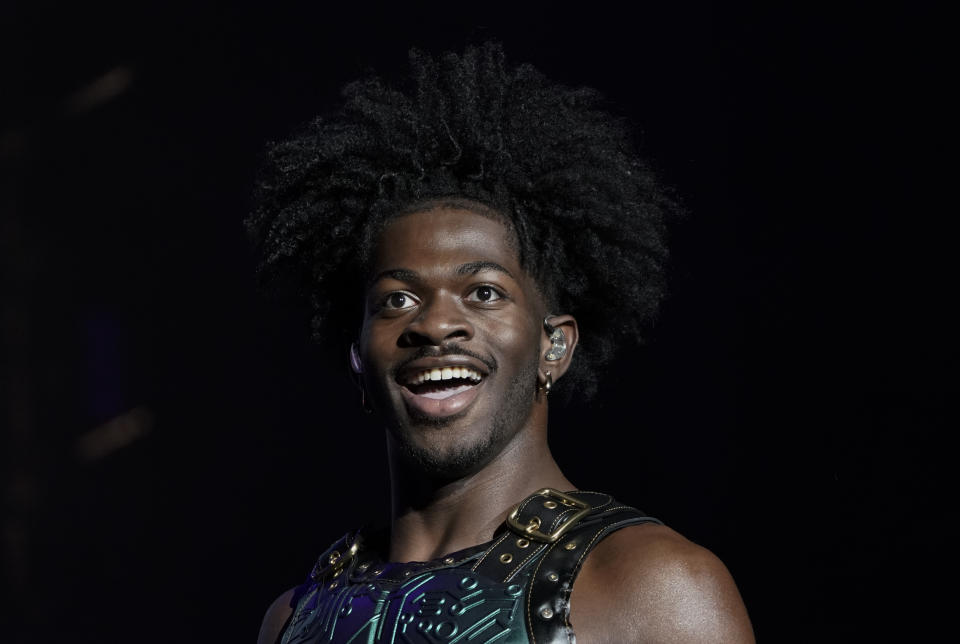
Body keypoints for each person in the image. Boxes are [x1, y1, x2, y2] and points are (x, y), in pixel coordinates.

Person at [248, 42, 753, 643]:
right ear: (359, 359)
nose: (435, 325)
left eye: (484, 292)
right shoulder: (293, 618)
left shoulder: (652, 587)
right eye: (397, 299)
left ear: (554, 347)